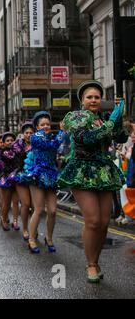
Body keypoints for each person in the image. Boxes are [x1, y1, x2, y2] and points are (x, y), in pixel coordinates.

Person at [58, 80, 128, 283]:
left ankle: (95, 261)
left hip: (104, 171)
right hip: (82, 169)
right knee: (93, 220)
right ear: (82, 100)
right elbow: (85, 138)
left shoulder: (102, 119)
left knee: (105, 222)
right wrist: (109, 123)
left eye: (97, 97)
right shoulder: (75, 117)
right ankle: (90, 265)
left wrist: (118, 120)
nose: (94, 100)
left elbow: (121, 139)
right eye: (89, 97)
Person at [21, 112, 66, 253]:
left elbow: (60, 148)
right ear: (37, 126)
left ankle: (49, 238)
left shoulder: (53, 136)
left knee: (52, 211)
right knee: (39, 209)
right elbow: (52, 146)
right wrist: (62, 132)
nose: (46, 126)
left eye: (48, 124)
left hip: (51, 175)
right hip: (38, 175)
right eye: (42, 124)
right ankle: (32, 240)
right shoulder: (35, 137)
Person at [0, 132, 19, 231]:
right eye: (7, 141)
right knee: (6, 201)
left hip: (17, 177)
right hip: (5, 178)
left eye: (12, 140)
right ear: (4, 143)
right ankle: (3, 219)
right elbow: (12, 157)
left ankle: (15, 221)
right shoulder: (3, 151)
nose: (10, 142)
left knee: (15, 201)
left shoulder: (17, 150)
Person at [11, 123, 35, 240]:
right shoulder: (17, 145)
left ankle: (33, 229)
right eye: (27, 133)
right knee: (25, 204)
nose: (29, 135)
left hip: (35, 177)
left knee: (35, 207)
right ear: (23, 134)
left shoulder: (38, 143)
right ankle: (25, 229)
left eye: (31, 133)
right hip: (21, 175)